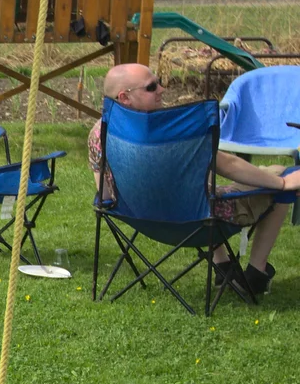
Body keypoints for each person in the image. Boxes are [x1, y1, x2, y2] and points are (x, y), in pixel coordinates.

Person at [89, 63, 300, 293]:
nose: (162, 89)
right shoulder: (172, 133)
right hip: (199, 220)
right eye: (151, 87)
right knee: (282, 174)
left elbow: (106, 195)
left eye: (159, 81)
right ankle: (256, 273)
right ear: (124, 97)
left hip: (142, 219)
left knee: (200, 183)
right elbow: (228, 165)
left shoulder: (99, 132)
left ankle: (224, 266)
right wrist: (282, 183)